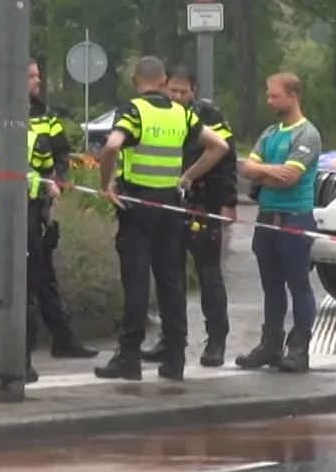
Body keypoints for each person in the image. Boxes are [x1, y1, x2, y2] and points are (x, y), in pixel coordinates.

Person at [95, 56, 231, 381]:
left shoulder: (132, 110)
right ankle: (174, 359)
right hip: (170, 207)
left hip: (137, 205)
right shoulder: (181, 113)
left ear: (136, 81)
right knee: (171, 281)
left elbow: (112, 145)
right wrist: (186, 178)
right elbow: (220, 146)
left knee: (138, 281)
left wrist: (104, 185)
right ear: (162, 81)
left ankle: (129, 357)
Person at [0, 63, 100, 361]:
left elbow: (60, 158)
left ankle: (61, 339)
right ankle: (7, 354)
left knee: (41, 278)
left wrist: (58, 184)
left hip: (34, 210)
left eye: (39, 75)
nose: (38, 81)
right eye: (30, 76)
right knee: (6, 281)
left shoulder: (46, 117)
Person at [140, 66, 237, 367]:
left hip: (203, 203)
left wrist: (229, 203)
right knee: (171, 276)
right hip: (170, 204)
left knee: (209, 275)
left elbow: (228, 159)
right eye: (173, 91)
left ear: (194, 90)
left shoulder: (209, 116)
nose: (178, 96)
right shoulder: (162, 114)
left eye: (184, 91)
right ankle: (171, 340)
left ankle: (216, 341)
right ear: (165, 87)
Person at [237, 72, 323, 373]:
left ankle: (299, 348)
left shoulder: (307, 134)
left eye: (274, 95)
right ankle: (271, 345)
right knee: (271, 286)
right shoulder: (271, 132)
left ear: (292, 96)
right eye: (269, 94)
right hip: (266, 219)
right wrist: (266, 170)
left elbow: (291, 177)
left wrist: (262, 171)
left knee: (298, 285)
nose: (269, 100)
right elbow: (246, 168)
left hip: (294, 219)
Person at [0, 86, 52, 383]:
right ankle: (23, 362)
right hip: (23, 219)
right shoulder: (37, 141)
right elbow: (45, 179)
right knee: (24, 291)